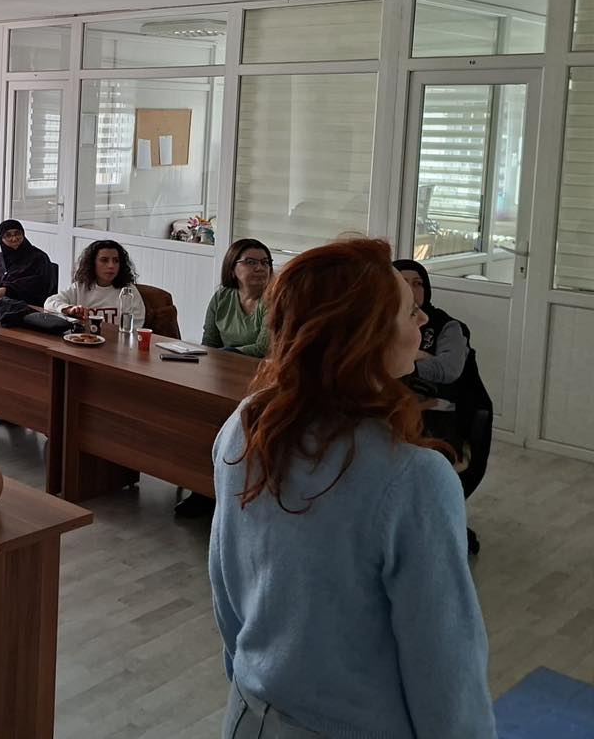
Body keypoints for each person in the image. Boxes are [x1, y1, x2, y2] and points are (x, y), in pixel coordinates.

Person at [209, 238, 496, 738]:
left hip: (250, 713)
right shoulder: (416, 478)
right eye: (409, 313)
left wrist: (251, 677)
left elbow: (224, 580)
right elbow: (446, 667)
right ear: (368, 336)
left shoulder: (248, 423)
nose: (422, 321)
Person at [393, 259, 495, 510]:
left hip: (438, 415)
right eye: (403, 283)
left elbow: (448, 369)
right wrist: (420, 356)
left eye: (418, 284)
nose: (411, 290)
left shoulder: (446, 326)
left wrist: (407, 363)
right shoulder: (378, 322)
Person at [45, 239, 145, 329]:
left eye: (116, 261)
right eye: (104, 260)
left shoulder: (128, 291)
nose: (111, 266)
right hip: (84, 339)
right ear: (92, 263)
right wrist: (69, 309)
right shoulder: (80, 287)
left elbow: (137, 324)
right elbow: (50, 302)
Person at [202, 238, 273, 357]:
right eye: (251, 262)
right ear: (232, 269)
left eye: (265, 262)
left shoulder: (274, 300)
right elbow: (209, 342)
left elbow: (263, 349)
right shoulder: (221, 297)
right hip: (223, 363)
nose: (260, 268)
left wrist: (224, 353)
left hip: (260, 366)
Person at [0, 219, 53, 305]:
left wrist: (9, 291)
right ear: (1, 238)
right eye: (8, 235)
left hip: (26, 307)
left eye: (17, 233)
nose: (14, 238)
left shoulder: (39, 258)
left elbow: (41, 286)